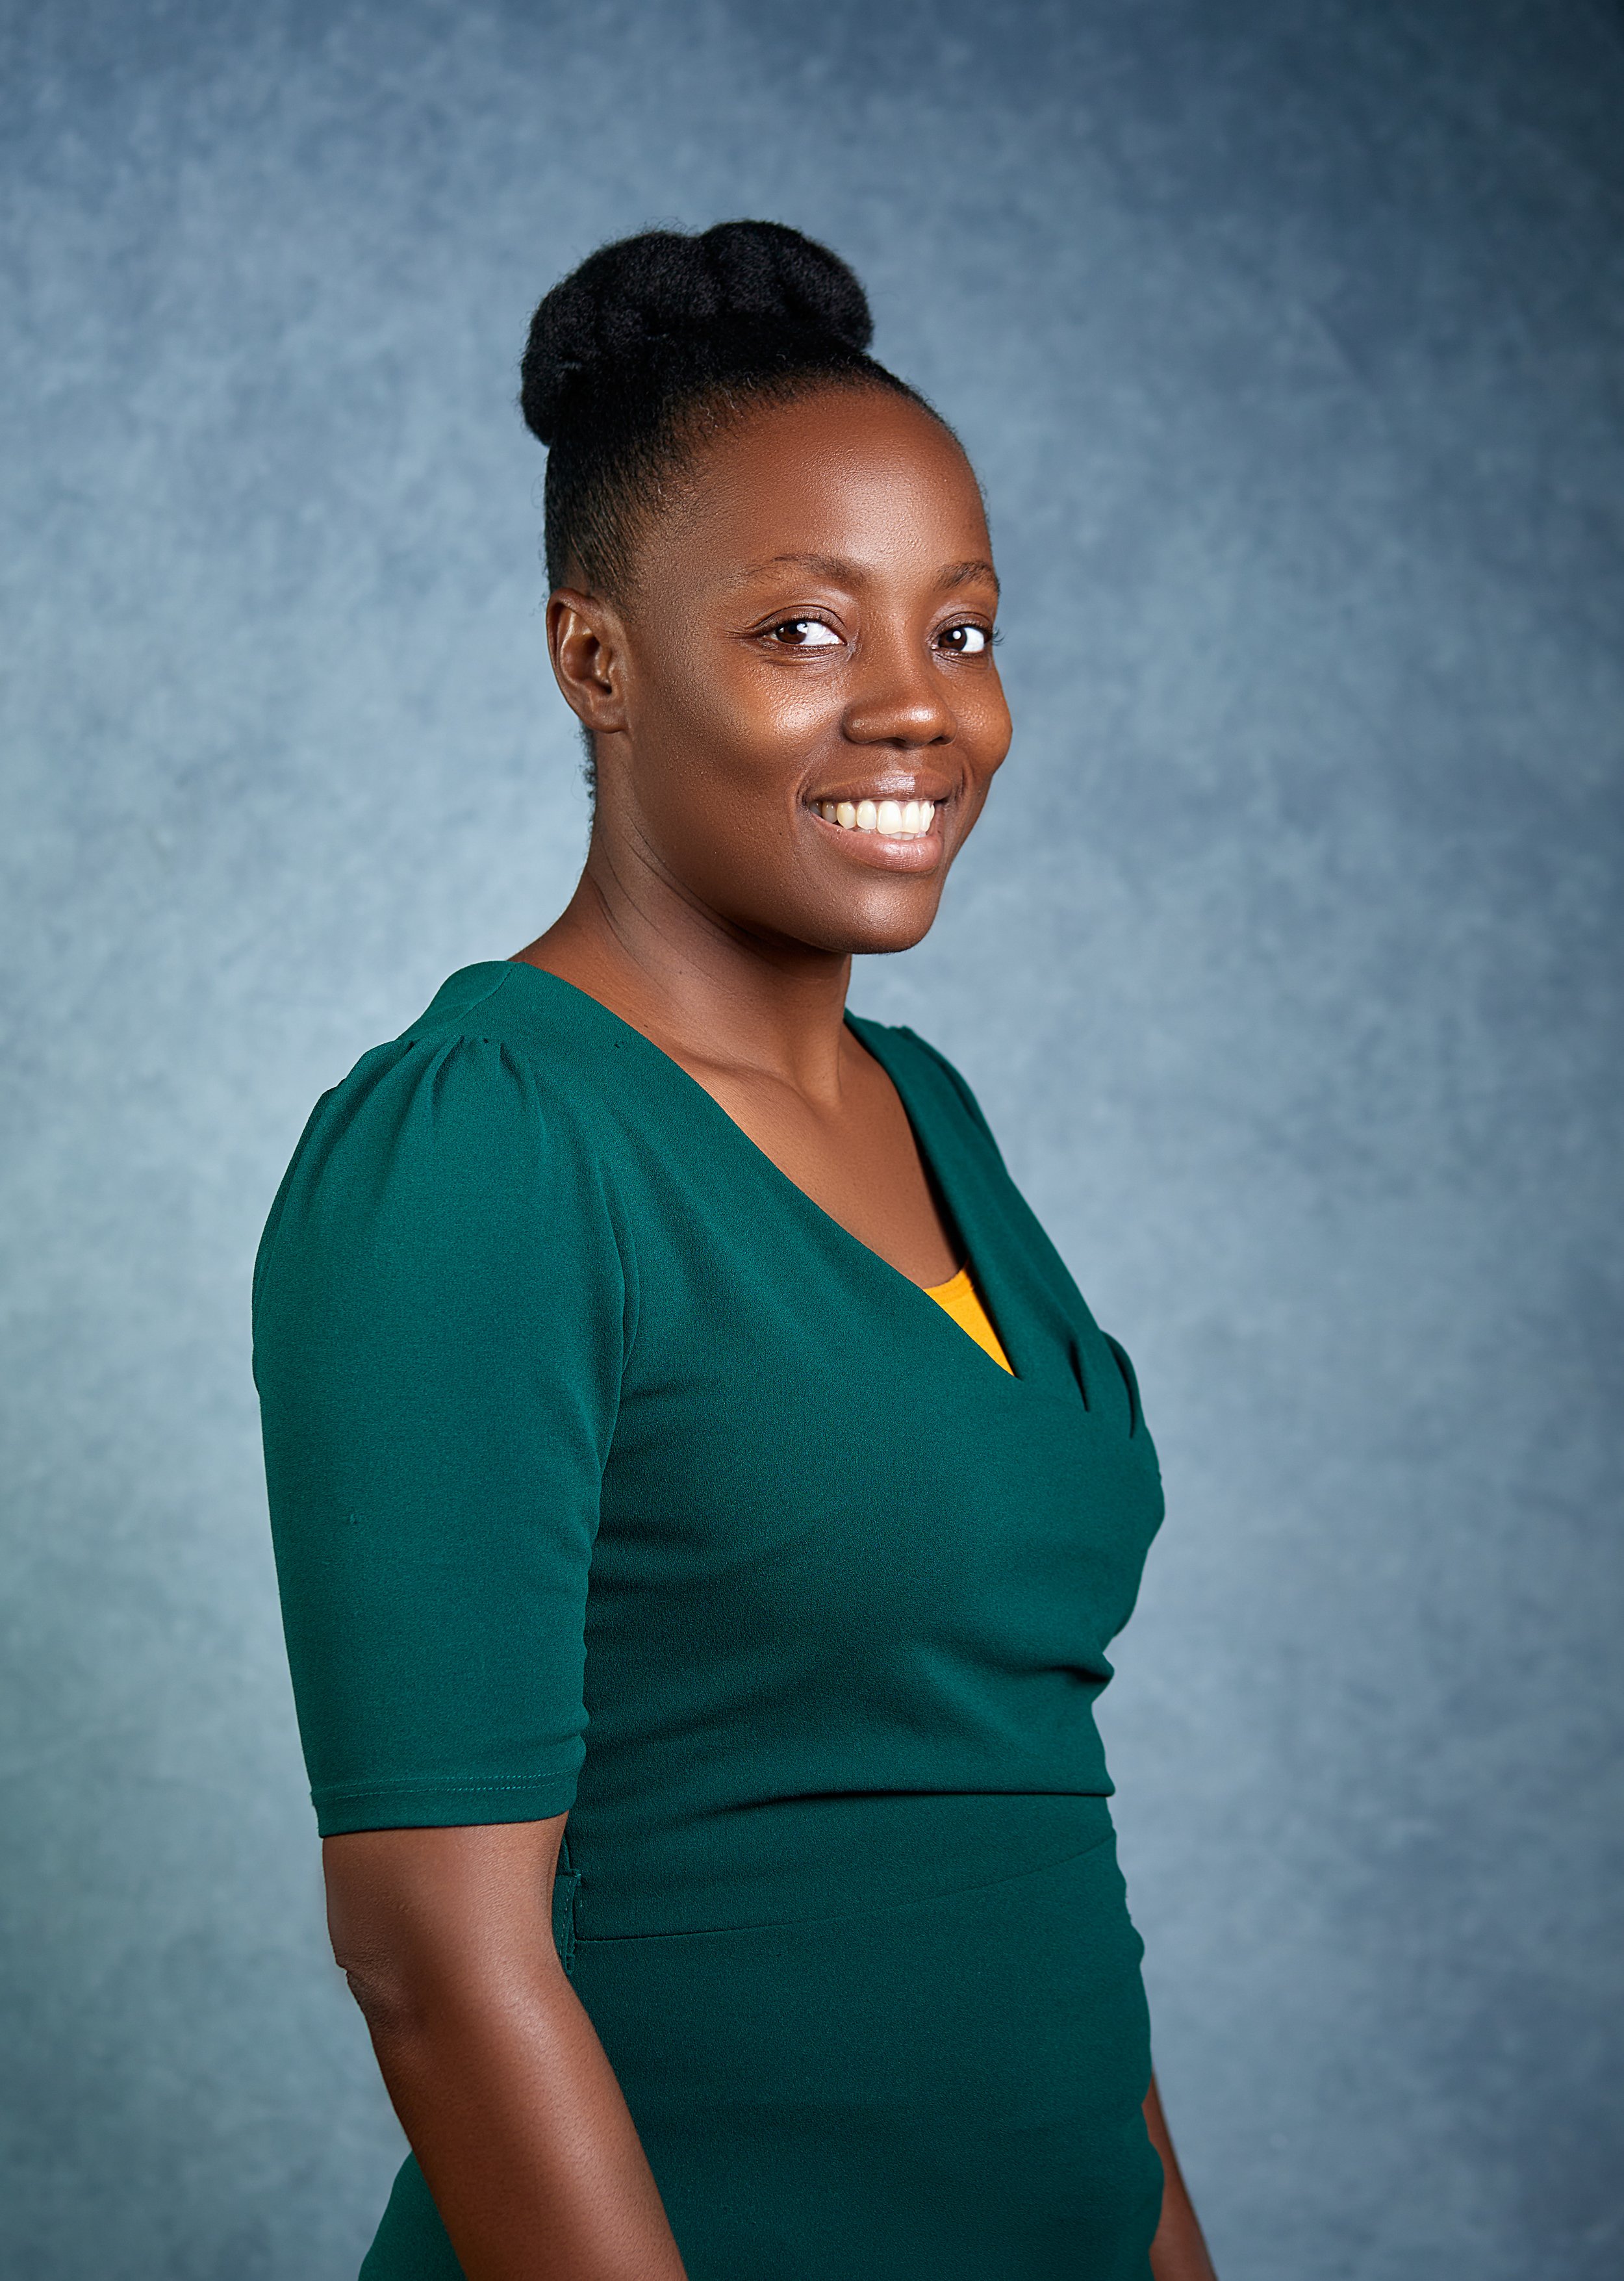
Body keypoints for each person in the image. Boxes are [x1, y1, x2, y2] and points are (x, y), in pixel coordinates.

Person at [254, 220, 1217, 2281]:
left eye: (959, 634)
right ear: (594, 657)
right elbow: (435, 1954)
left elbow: (1011, 1803)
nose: (915, 713)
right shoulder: (487, 1151)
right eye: (801, 631)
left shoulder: (928, 1113)